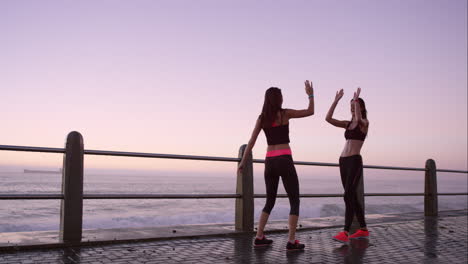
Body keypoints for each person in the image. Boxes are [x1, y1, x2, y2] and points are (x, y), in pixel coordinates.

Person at [238, 81, 315, 250]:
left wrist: (243, 162)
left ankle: (259, 237)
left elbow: (251, 141)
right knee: (294, 200)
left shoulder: (262, 118)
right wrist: (310, 94)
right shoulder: (285, 114)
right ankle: (291, 241)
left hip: (270, 161)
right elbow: (310, 111)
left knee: (270, 201)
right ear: (279, 99)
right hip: (284, 160)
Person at [325, 87, 370, 243]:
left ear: (361, 107)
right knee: (351, 195)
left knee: (347, 195)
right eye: (350, 106)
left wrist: (356, 101)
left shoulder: (364, 123)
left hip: (354, 161)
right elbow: (328, 119)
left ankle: (345, 232)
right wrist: (336, 101)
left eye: (355, 105)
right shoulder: (347, 124)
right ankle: (363, 229)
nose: (352, 108)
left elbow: (358, 119)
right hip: (343, 161)